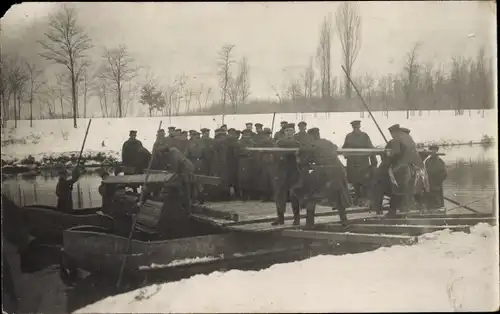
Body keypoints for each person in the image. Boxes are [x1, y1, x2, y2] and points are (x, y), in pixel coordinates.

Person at [292, 128, 352, 226]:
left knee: (307, 192)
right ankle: (344, 220)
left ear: (312, 136)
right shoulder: (328, 142)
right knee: (339, 196)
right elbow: (335, 148)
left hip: (326, 172)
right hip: (338, 171)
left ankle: (309, 223)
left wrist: (298, 156)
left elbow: (305, 161)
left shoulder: (312, 145)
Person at [342, 120, 378, 206]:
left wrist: (374, 163)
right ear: (353, 127)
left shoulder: (365, 136)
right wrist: (346, 155)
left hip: (362, 163)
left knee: (364, 182)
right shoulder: (349, 136)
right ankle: (357, 199)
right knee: (356, 183)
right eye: (355, 127)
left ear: (359, 127)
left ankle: (362, 200)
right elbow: (344, 148)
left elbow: (370, 148)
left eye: (357, 127)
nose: (356, 129)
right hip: (353, 163)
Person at [271, 123, 301, 226]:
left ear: (294, 132)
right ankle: (280, 218)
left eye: (291, 131)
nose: (289, 133)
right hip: (281, 171)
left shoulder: (297, 143)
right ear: (284, 132)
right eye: (287, 131)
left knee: (294, 195)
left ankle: (296, 218)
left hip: (293, 172)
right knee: (280, 195)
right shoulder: (279, 143)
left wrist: (298, 155)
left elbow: (300, 157)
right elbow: (275, 155)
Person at [424, 144, 447, 210]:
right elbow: (425, 173)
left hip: (437, 185)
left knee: (438, 203)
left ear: (437, 151)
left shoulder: (440, 162)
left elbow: (444, 174)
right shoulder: (427, 161)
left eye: (435, 150)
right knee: (429, 203)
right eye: (432, 150)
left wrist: (438, 183)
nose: (433, 151)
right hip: (429, 185)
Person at [237, 129, 257, 200]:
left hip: (251, 161)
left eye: (248, 133)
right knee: (243, 178)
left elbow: (255, 151)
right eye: (246, 133)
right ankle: (244, 195)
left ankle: (251, 195)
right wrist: (247, 152)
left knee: (251, 177)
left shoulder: (252, 142)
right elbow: (239, 151)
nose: (247, 135)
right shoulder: (239, 142)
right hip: (243, 161)